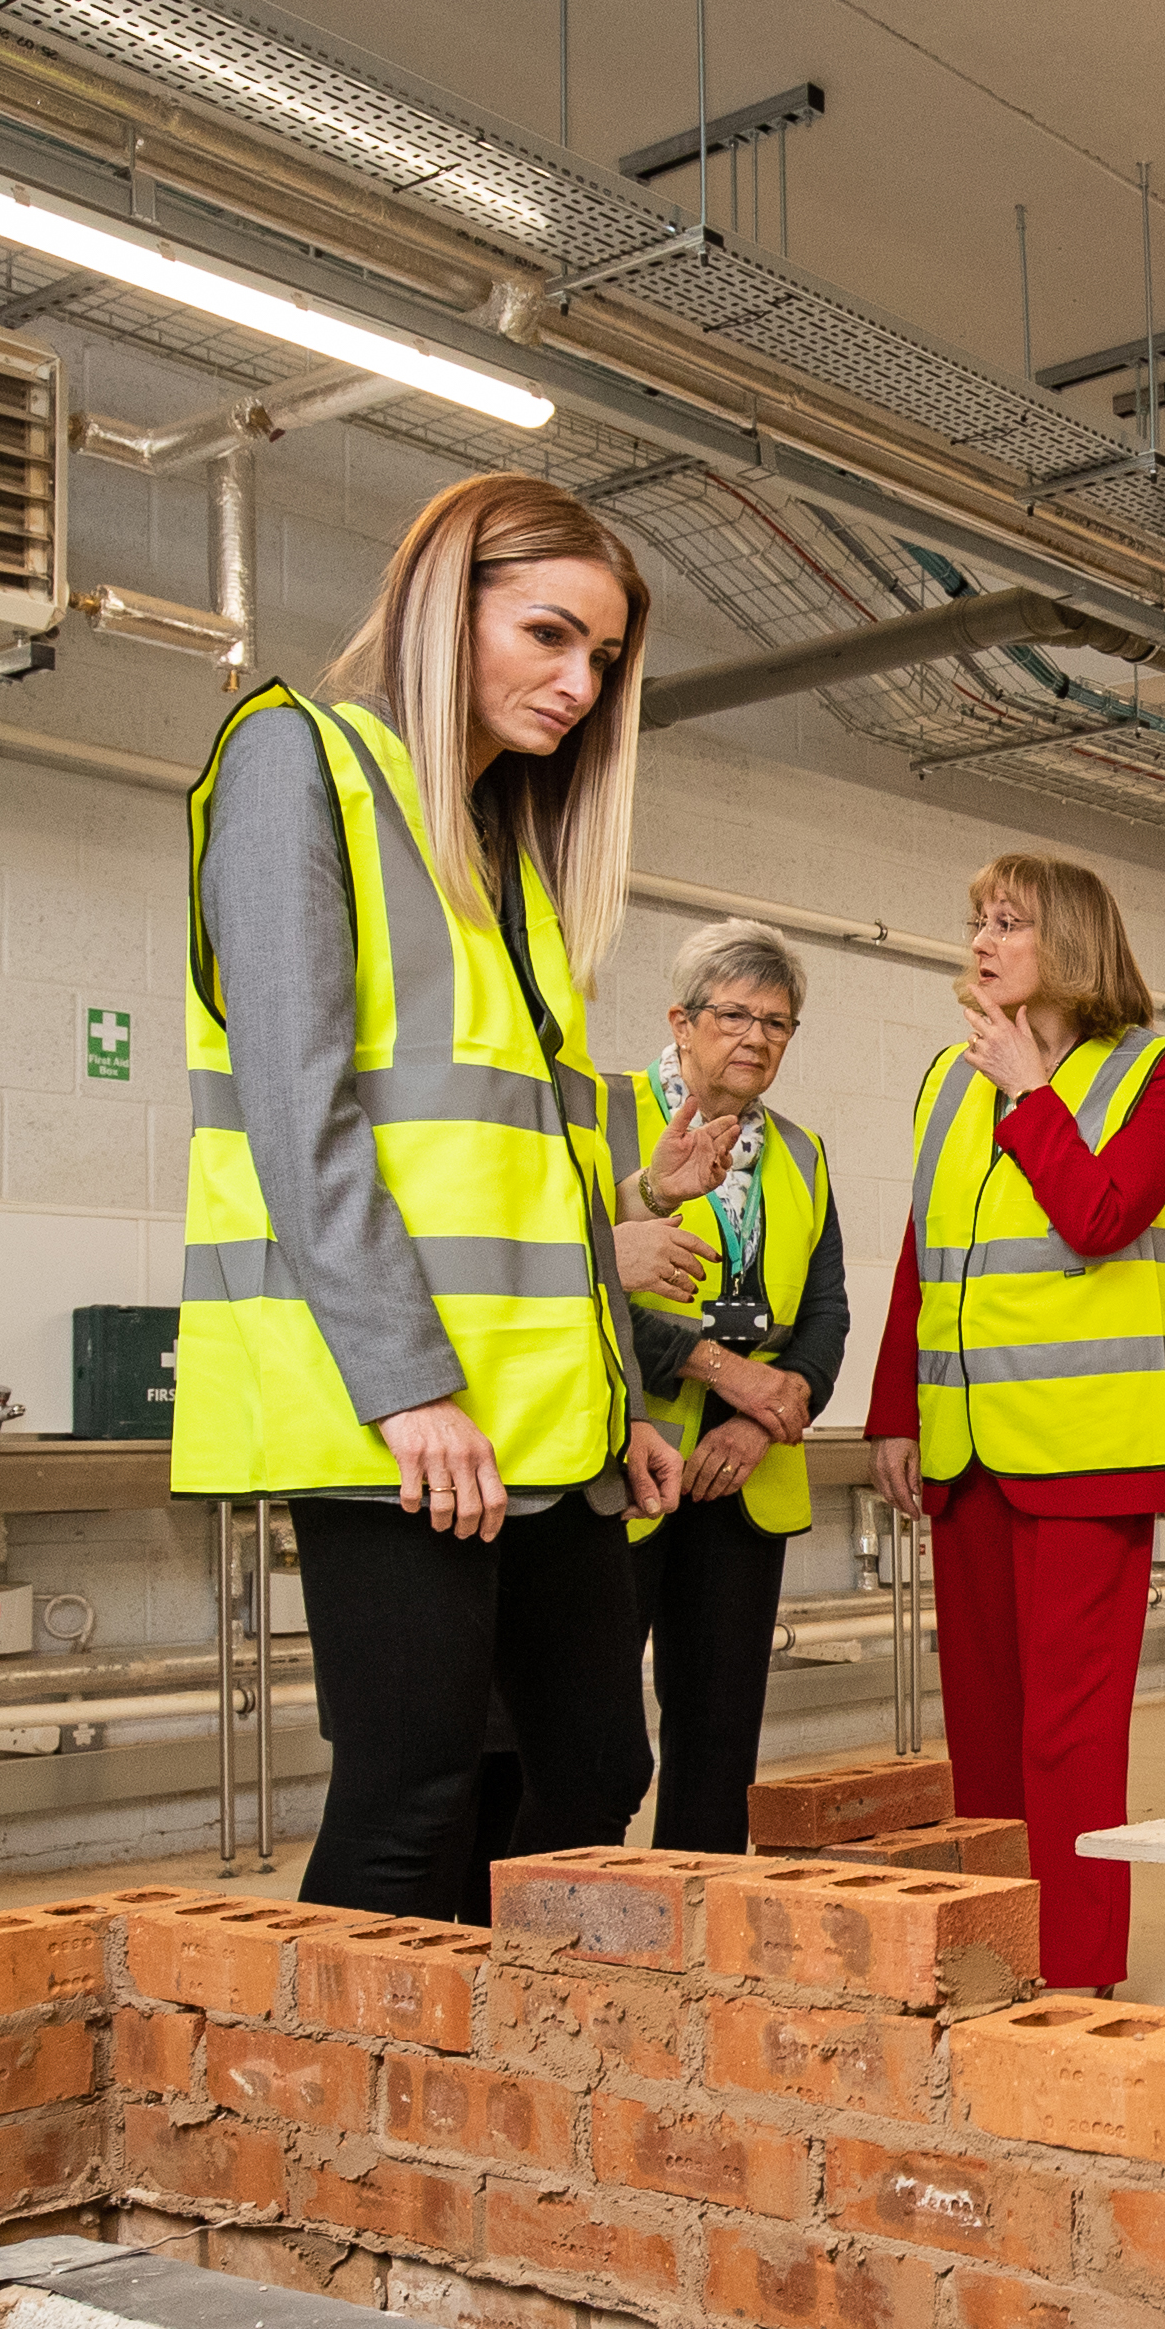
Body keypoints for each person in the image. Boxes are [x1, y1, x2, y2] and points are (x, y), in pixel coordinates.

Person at [173, 471, 720, 1926]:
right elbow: (302, 1113)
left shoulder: (504, 852)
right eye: (547, 635)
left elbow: (529, 1172)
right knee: (413, 1781)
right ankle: (327, 2108)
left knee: (596, 1761)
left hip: (545, 1418)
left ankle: (463, 2059)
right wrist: (409, 1385)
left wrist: (614, 1412)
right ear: (442, 602)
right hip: (394, 1407)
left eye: (601, 661)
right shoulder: (300, 764)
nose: (579, 684)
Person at [866, 855, 1165, 1994]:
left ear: (1065, 939)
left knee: (1064, 1744)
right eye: (973, 919)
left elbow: (1102, 1215)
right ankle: (989, 1958)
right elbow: (928, 1256)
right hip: (963, 1454)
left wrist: (1030, 1091)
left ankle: (1072, 1976)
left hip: (1082, 1459)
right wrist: (891, 1411)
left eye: (1005, 921)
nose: (979, 940)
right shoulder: (945, 1080)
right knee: (982, 1734)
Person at [608, 921, 848, 1852]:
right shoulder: (604, 1114)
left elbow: (824, 1313)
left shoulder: (804, 1152)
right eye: (734, 1014)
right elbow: (587, 1285)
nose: (756, 1037)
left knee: (718, 1739)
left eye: (778, 1023)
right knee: (591, 1741)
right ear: (680, 1020)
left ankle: (697, 1934)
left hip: (744, 1478)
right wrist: (721, 1370)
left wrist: (763, 1418)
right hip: (623, 1469)